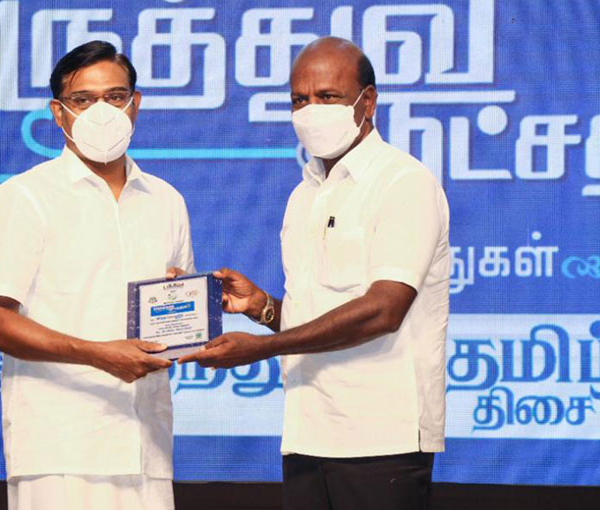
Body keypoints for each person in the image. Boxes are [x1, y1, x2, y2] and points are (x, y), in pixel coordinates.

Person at [180, 36, 450, 510]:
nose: (310, 111)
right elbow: (315, 315)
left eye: (327, 97)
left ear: (367, 102)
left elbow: (383, 311)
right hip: (308, 431)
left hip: (381, 439)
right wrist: (262, 308)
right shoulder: (305, 194)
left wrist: (263, 348)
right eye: (299, 100)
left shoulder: (404, 183)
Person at [0, 40, 194, 510]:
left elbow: (180, 324)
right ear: (59, 113)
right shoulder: (27, 197)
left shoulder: (166, 200)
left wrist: (197, 306)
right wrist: (98, 355)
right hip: (61, 448)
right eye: (83, 100)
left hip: (147, 445)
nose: (102, 111)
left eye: (115, 97)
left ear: (136, 105)